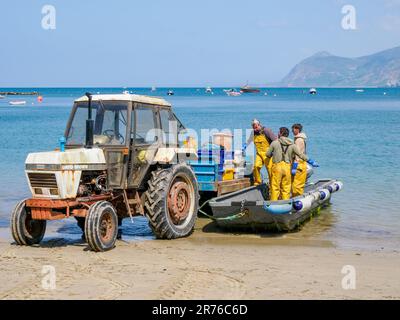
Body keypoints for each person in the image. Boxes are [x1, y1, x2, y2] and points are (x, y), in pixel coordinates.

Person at [266, 127, 312, 201]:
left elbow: (267, 154)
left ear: (280, 133)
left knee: (275, 187)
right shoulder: (292, 144)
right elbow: (300, 154)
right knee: (286, 188)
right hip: (287, 167)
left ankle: (274, 203)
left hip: (277, 167)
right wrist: (310, 160)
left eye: (278, 132)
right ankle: (285, 203)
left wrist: (273, 154)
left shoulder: (274, 143)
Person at [245, 119, 277, 185]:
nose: (255, 129)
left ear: (259, 125)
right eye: (253, 128)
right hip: (259, 153)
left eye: (256, 127)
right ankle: (257, 182)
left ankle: (272, 184)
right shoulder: (253, 132)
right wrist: (244, 146)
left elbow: (275, 141)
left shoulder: (266, 130)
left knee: (270, 169)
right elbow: (249, 141)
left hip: (268, 154)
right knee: (256, 166)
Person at [291, 123, 308, 197]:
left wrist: (294, 166)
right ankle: (298, 197)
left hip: (299, 164)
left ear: (297, 129)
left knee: (296, 186)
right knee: (299, 185)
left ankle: (297, 200)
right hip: (302, 163)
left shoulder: (298, 140)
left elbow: (297, 153)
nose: (292, 130)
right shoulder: (301, 138)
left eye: (293, 129)